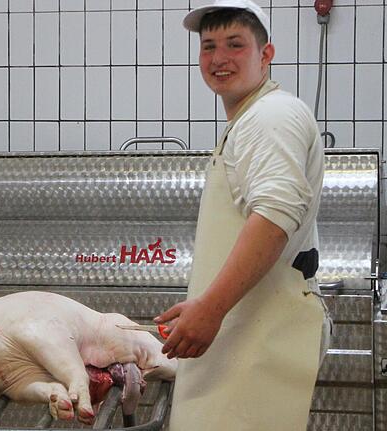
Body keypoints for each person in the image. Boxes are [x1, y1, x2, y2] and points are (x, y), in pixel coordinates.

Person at [153, 0, 332, 429]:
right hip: (246, 330)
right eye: (208, 46)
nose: (218, 59)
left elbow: (274, 218)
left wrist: (210, 309)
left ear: (265, 54)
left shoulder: (271, 116)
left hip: (257, 335)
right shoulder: (251, 116)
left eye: (235, 45)